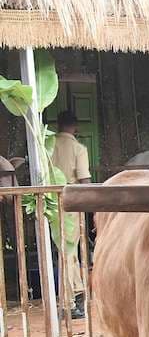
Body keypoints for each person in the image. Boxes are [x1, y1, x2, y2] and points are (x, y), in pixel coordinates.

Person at [49, 111, 90, 318]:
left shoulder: (48, 144)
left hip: (49, 203)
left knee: (65, 252)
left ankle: (76, 292)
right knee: (69, 252)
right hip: (70, 204)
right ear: (76, 127)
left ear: (58, 124)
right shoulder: (79, 149)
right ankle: (70, 302)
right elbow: (84, 180)